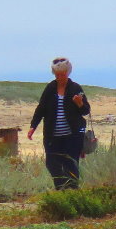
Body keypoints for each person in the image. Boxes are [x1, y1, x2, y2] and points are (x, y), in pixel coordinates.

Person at [28, 57, 91, 190]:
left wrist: (79, 103)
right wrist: (33, 126)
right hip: (52, 136)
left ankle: (73, 192)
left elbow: (86, 110)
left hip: (72, 136)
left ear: (68, 73)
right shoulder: (50, 88)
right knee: (52, 163)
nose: (60, 77)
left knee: (71, 165)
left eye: (62, 74)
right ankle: (61, 189)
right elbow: (41, 108)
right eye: (57, 75)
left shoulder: (75, 88)